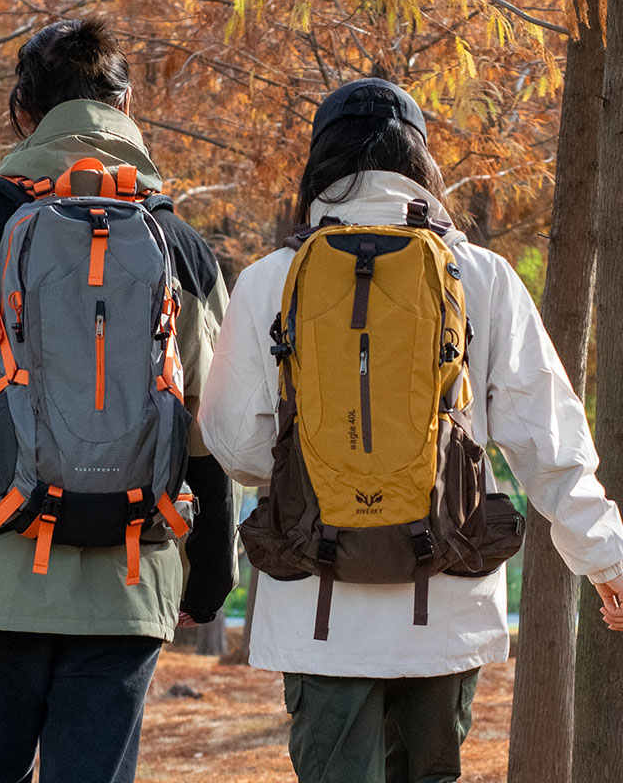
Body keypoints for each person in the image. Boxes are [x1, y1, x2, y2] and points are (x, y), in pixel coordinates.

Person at [198, 78, 623, 783]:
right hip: (444, 600)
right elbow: (548, 439)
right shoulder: (480, 275)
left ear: (320, 164)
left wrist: (325, 469)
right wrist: (606, 561)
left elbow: (235, 441)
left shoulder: (272, 278)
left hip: (316, 606)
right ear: (420, 163)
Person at [0, 18, 234, 783]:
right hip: (126, 579)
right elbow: (215, 429)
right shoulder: (181, 246)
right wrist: (207, 572)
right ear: (127, 105)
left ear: (19, 111)